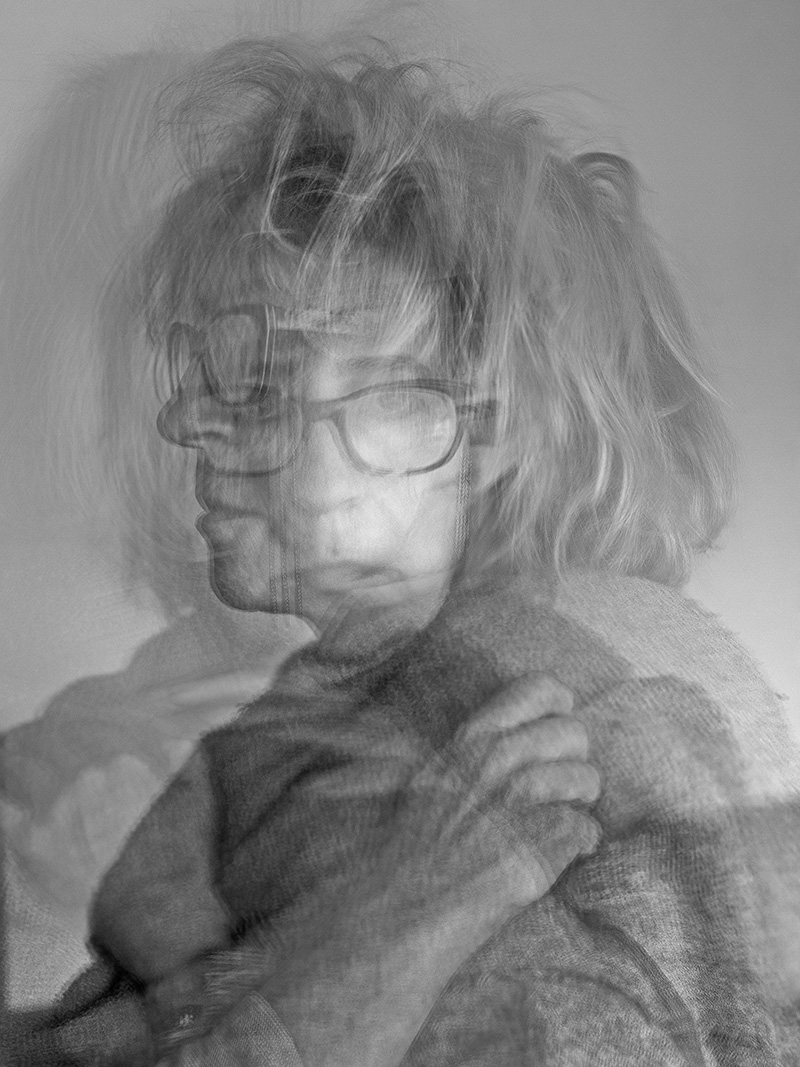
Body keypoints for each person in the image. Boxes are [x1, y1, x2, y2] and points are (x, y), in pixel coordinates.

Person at [7, 33, 800, 1067]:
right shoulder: (259, 712)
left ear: (479, 426)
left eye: (258, 383)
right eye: (200, 373)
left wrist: (395, 913)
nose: (182, 425)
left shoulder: (566, 734)